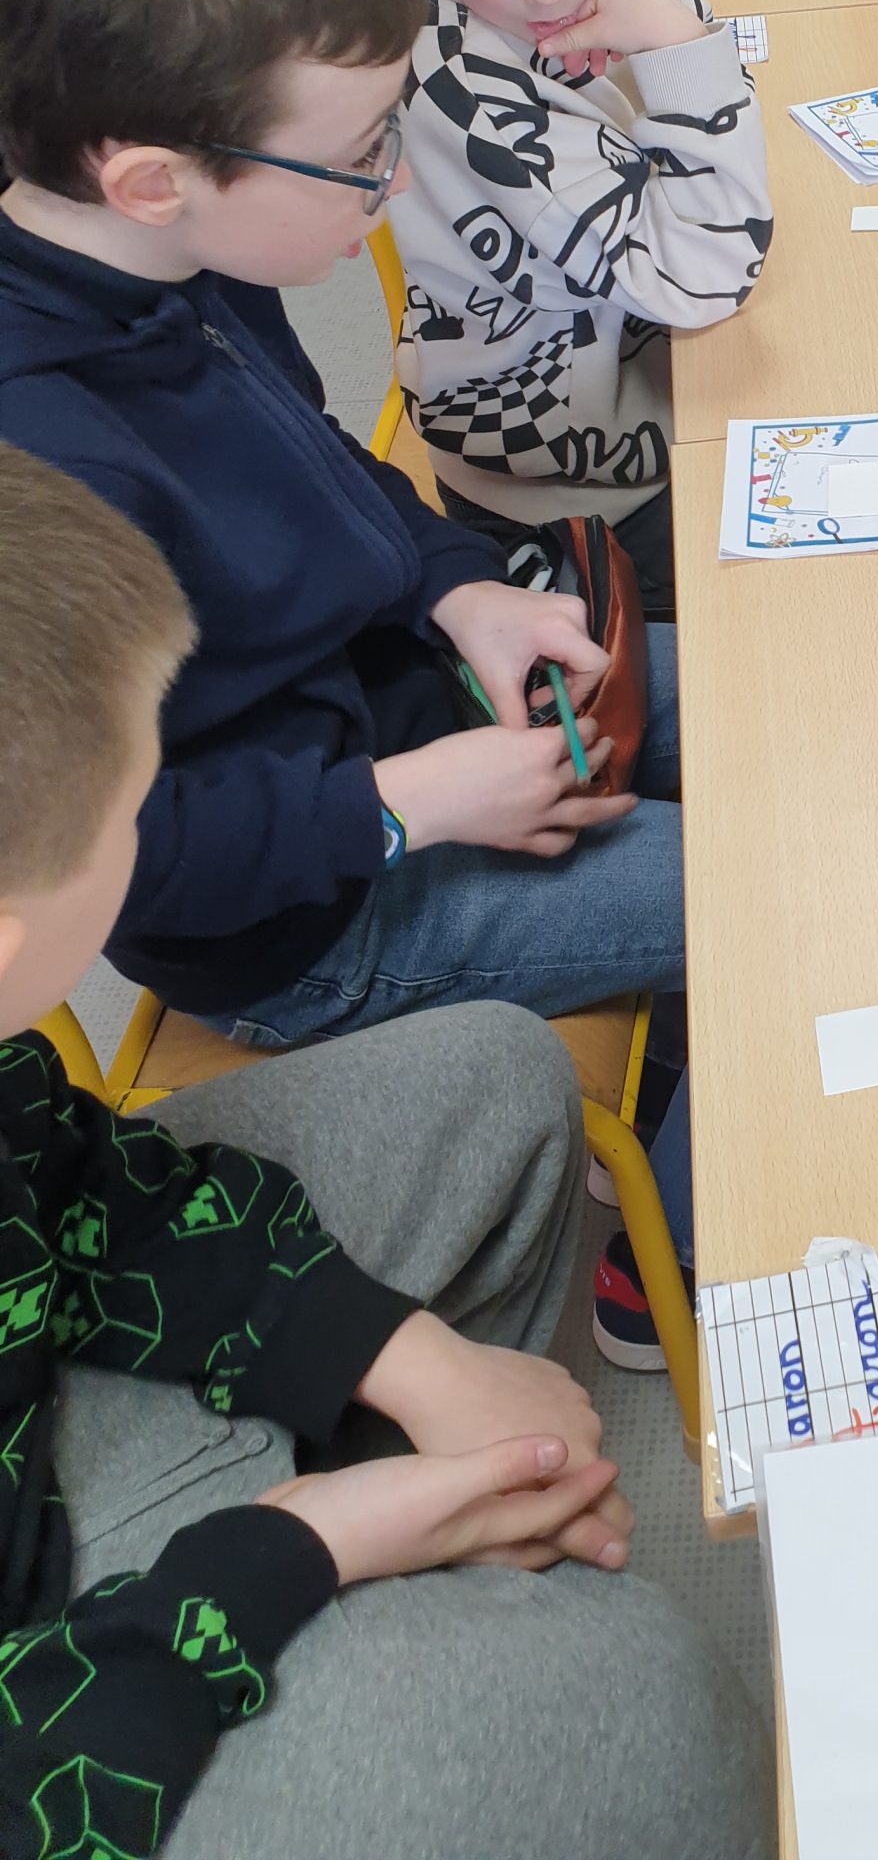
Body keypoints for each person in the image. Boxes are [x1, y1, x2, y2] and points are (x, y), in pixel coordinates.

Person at [0, 440, 772, 1860]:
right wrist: (307, 1543)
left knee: (502, 1076)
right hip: (59, 1695)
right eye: (126, 825)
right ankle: (426, 1617)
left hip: (56, 1392)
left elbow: (71, 1186)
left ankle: (442, 1555)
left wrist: (391, 1352)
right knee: (649, 1720)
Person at [0, 0, 692, 1362]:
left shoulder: (180, 267)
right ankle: (686, 1238)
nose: (392, 182)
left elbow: (315, 463)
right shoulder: (43, 459)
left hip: (397, 723)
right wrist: (413, 804)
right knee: (776, 890)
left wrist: (455, 589)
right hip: (310, 916)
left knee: (782, 711)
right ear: (153, 179)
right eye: (356, 155)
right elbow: (130, 861)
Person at [350, 0, 771, 622]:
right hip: (579, 489)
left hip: (650, 372)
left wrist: (670, 43)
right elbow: (711, 267)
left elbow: (700, 124)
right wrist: (678, 42)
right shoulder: (467, 96)